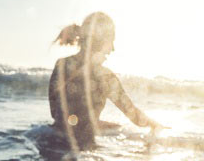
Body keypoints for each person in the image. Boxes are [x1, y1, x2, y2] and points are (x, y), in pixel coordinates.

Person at [49, 12, 162, 150]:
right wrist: (155, 126)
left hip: (50, 142)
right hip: (82, 149)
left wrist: (94, 122)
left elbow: (56, 113)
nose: (113, 49)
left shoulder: (61, 65)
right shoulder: (104, 76)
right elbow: (135, 117)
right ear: (99, 40)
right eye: (111, 40)